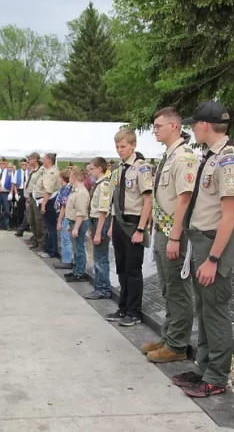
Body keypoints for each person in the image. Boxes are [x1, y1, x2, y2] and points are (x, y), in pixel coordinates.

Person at [173, 101, 234, 398]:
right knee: (203, 310)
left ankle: (217, 376)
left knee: (215, 311)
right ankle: (204, 368)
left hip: (214, 244)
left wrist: (214, 259)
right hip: (201, 241)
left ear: (205, 125)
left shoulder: (229, 161)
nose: (192, 128)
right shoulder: (212, 157)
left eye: (194, 124)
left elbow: (229, 216)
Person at [141, 107, 197, 364]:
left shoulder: (183, 157)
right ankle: (169, 336)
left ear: (174, 126)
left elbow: (184, 199)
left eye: (158, 126)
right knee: (167, 288)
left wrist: (175, 237)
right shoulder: (169, 156)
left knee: (177, 289)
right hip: (164, 230)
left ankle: (177, 345)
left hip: (175, 231)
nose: (155, 130)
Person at [106, 128, 153, 327]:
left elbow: (148, 200)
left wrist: (141, 229)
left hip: (134, 221)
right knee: (121, 268)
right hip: (118, 221)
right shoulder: (118, 169)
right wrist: (111, 224)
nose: (119, 150)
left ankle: (134, 311)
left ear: (133, 145)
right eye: (117, 147)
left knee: (133, 269)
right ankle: (123, 307)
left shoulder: (141, 168)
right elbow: (115, 198)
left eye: (123, 146)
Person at [83, 157, 113, 300]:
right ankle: (99, 286)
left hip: (101, 221)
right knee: (97, 257)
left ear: (99, 169)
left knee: (101, 258)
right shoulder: (98, 184)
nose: (90, 171)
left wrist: (99, 232)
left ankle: (103, 289)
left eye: (92, 169)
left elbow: (103, 210)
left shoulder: (104, 185)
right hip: (95, 221)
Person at [64, 166, 91, 282]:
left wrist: (76, 228)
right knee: (75, 248)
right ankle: (76, 269)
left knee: (79, 248)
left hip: (79, 222)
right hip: (73, 221)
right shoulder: (75, 190)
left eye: (70, 176)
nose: (69, 178)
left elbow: (81, 212)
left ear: (74, 177)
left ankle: (80, 272)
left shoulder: (81, 192)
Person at [36, 153, 61, 259]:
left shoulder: (51, 172)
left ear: (49, 160)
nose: (43, 161)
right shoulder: (47, 171)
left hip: (49, 201)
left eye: (44, 159)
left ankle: (51, 251)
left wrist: (43, 205)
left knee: (50, 227)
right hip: (46, 200)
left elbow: (48, 190)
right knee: (47, 227)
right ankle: (48, 248)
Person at [25, 152, 45, 249]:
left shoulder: (41, 170)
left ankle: (41, 242)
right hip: (31, 197)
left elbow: (40, 185)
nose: (28, 160)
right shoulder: (32, 170)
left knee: (38, 220)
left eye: (30, 158)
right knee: (31, 220)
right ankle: (36, 240)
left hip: (37, 197)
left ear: (36, 159)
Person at [54, 170, 73, 270]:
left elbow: (63, 207)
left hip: (65, 216)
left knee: (65, 239)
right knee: (64, 238)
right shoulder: (65, 188)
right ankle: (66, 259)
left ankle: (67, 260)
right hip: (65, 216)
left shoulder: (66, 190)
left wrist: (59, 221)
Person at [0, 157, 13, 230]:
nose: (2, 164)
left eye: (4, 163)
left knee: (6, 210)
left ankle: (7, 224)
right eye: (1, 163)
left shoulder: (10, 171)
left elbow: (12, 182)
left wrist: (11, 192)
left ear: (6, 164)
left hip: (6, 193)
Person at [13, 158, 29, 236]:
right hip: (20, 190)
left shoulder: (29, 172)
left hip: (28, 191)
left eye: (25, 164)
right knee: (20, 209)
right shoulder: (17, 172)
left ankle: (27, 226)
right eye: (22, 164)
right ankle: (20, 225)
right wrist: (16, 193)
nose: (24, 166)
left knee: (28, 209)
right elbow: (14, 184)